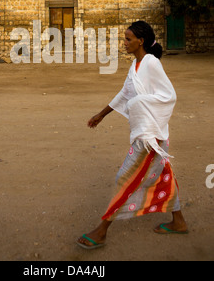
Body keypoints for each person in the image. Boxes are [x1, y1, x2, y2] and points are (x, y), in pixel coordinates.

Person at [77, 21, 188, 250]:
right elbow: (125, 93)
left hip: (149, 136)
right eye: (124, 39)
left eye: (128, 39)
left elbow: (169, 95)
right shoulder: (136, 65)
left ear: (141, 41)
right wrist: (102, 114)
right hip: (149, 133)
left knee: (125, 177)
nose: (124, 43)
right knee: (161, 174)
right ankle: (179, 221)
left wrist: (139, 103)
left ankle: (101, 231)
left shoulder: (151, 63)